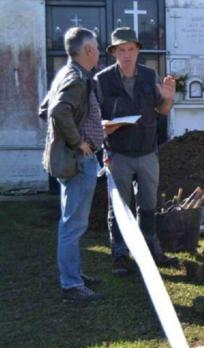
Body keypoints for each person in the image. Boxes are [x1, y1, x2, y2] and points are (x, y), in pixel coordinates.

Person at [95, 27, 178, 276]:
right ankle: (120, 255)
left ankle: (151, 251)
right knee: (119, 207)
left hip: (147, 151)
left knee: (148, 204)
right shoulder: (102, 80)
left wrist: (168, 97)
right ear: (113, 53)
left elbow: (162, 111)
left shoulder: (149, 75)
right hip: (118, 153)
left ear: (138, 51)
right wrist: (113, 125)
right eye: (122, 50)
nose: (127, 54)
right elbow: (95, 120)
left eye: (131, 49)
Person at [39, 27, 103, 302]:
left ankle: (74, 274)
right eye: (97, 47)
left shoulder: (66, 73)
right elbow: (56, 111)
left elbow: (45, 109)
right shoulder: (76, 79)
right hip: (77, 162)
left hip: (71, 160)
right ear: (87, 51)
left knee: (73, 223)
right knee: (72, 225)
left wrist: (70, 135)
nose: (99, 51)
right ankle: (71, 286)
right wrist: (78, 142)